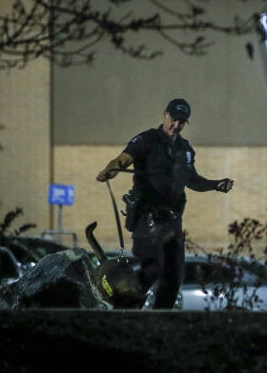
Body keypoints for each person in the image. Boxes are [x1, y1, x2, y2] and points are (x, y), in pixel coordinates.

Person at [96, 98, 234, 308]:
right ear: (165, 115)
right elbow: (123, 159)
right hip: (147, 217)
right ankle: (126, 306)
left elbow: (193, 181)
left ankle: (162, 318)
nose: (176, 125)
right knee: (153, 267)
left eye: (182, 122)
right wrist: (110, 170)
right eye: (174, 119)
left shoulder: (185, 149)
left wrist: (216, 185)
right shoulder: (147, 139)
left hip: (172, 221)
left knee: (174, 275)